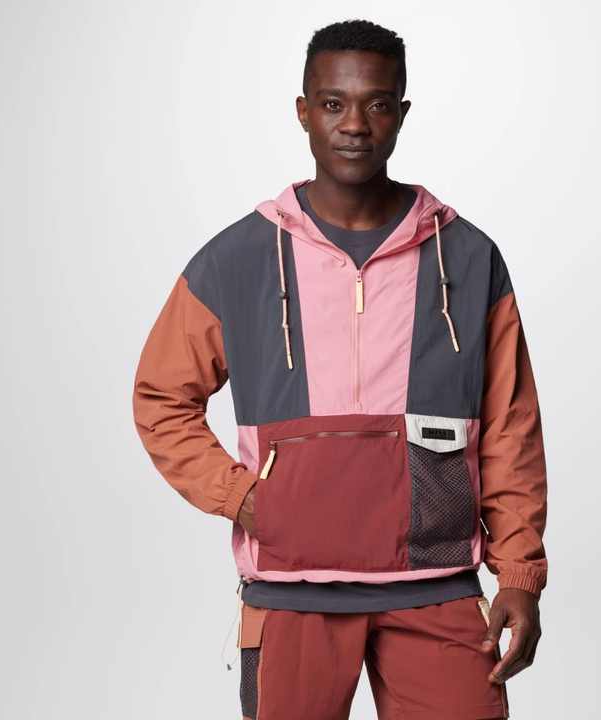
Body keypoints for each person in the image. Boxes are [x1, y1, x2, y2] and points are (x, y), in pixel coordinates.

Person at [132, 18, 548, 720]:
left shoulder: (469, 256)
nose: (355, 124)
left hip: (437, 585)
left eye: (376, 104)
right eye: (333, 103)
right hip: (292, 591)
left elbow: (510, 426)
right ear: (303, 111)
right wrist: (244, 498)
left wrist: (519, 573)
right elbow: (160, 397)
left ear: (401, 113)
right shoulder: (238, 258)